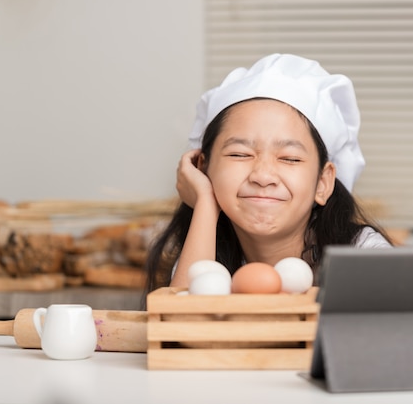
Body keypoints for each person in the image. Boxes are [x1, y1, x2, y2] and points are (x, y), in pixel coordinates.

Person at [143, 53, 392, 299]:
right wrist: (206, 203)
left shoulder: (366, 257)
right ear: (204, 169)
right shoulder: (205, 250)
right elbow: (178, 331)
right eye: (239, 154)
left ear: (323, 182)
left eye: (289, 158)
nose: (263, 176)